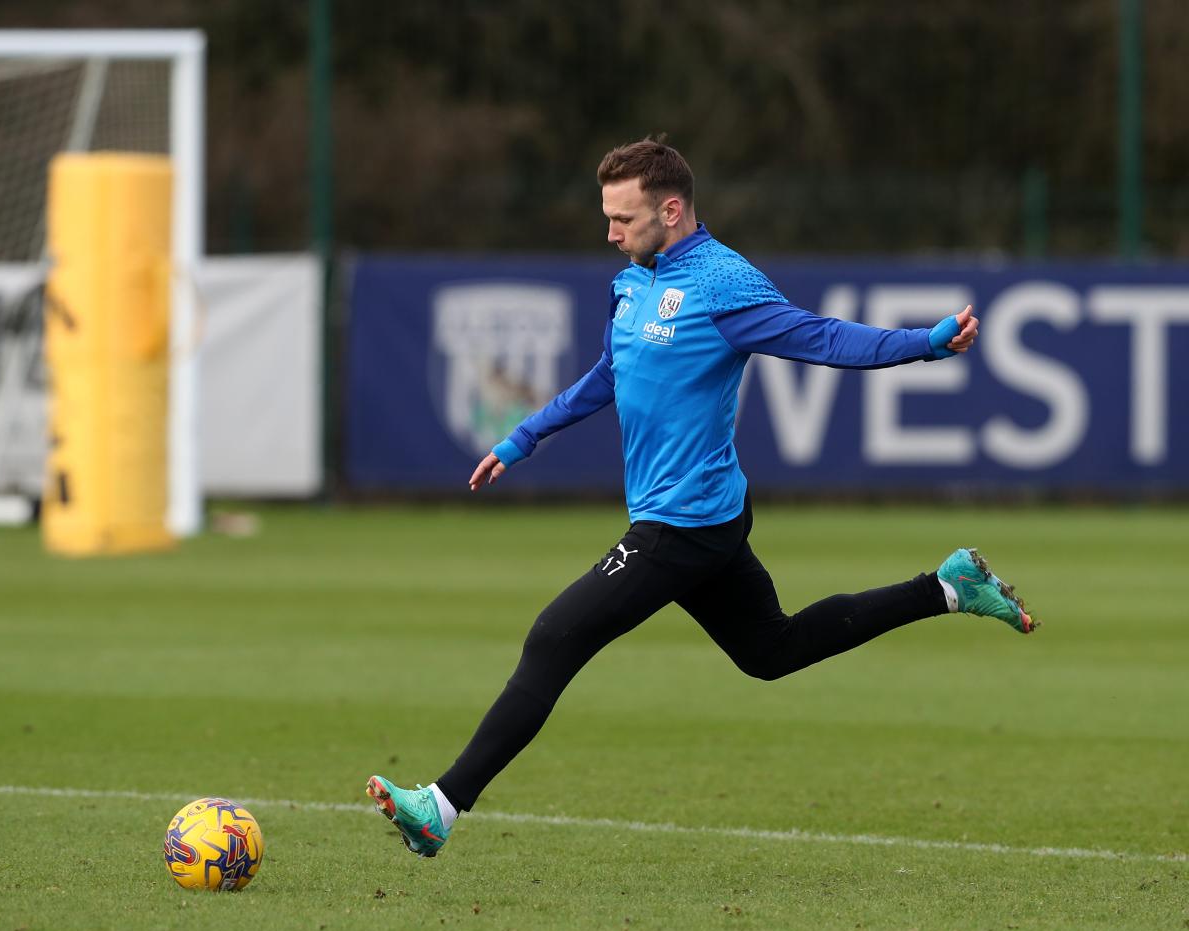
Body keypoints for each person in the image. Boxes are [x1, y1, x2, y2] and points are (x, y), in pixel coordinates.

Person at [366, 137, 1037, 858]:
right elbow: (608, 373)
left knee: (554, 637)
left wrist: (926, 343)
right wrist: (521, 439)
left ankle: (441, 806)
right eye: (608, 217)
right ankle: (947, 588)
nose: (611, 233)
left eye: (623, 218)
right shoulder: (632, 281)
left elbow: (824, 339)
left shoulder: (723, 286)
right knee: (770, 650)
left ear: (673, 209)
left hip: (681, 526)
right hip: (706, 518)